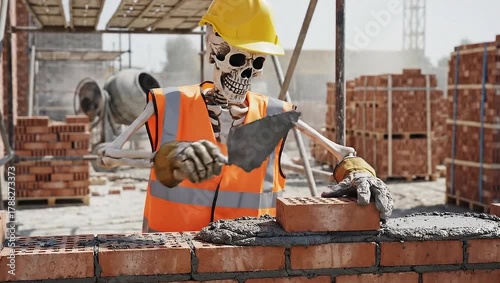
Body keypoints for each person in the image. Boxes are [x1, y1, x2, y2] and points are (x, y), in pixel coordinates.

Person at [98, 0, 393, 233]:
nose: (246, 73)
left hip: (248, 265)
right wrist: (163, 159)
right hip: (169, 260)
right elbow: (108, 156)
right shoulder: (169, 103)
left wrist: (358, 171)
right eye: (237, 59)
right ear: (213, 47)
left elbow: (342, 153)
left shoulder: (276, 114)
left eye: (257, 62)